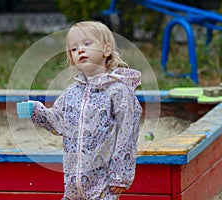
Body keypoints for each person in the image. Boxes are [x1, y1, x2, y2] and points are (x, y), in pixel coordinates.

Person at [17, 21, 142, 200]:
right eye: (74, 49)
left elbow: (127, 133)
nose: (80, 51)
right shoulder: (72, 92)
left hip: (104, 184)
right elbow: (58, 121)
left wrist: (120, 175)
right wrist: (36, 111)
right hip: (73, 184)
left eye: (87, 44)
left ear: (106, 50)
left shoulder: (118, 91)